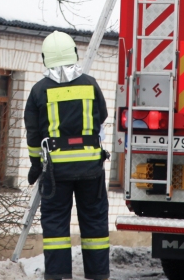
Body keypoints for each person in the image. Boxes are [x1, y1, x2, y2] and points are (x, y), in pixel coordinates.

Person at [25, 31, 109, 280]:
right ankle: (98, 275)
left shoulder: (39, 91)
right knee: (94, 222)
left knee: (56, 225)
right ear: (74, 53)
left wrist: (35, 164)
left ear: (45, 58)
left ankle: (58, 275)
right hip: (91, 169)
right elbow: (101, 116)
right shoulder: (91, 84)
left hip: (55, 172)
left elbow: (33, 134)